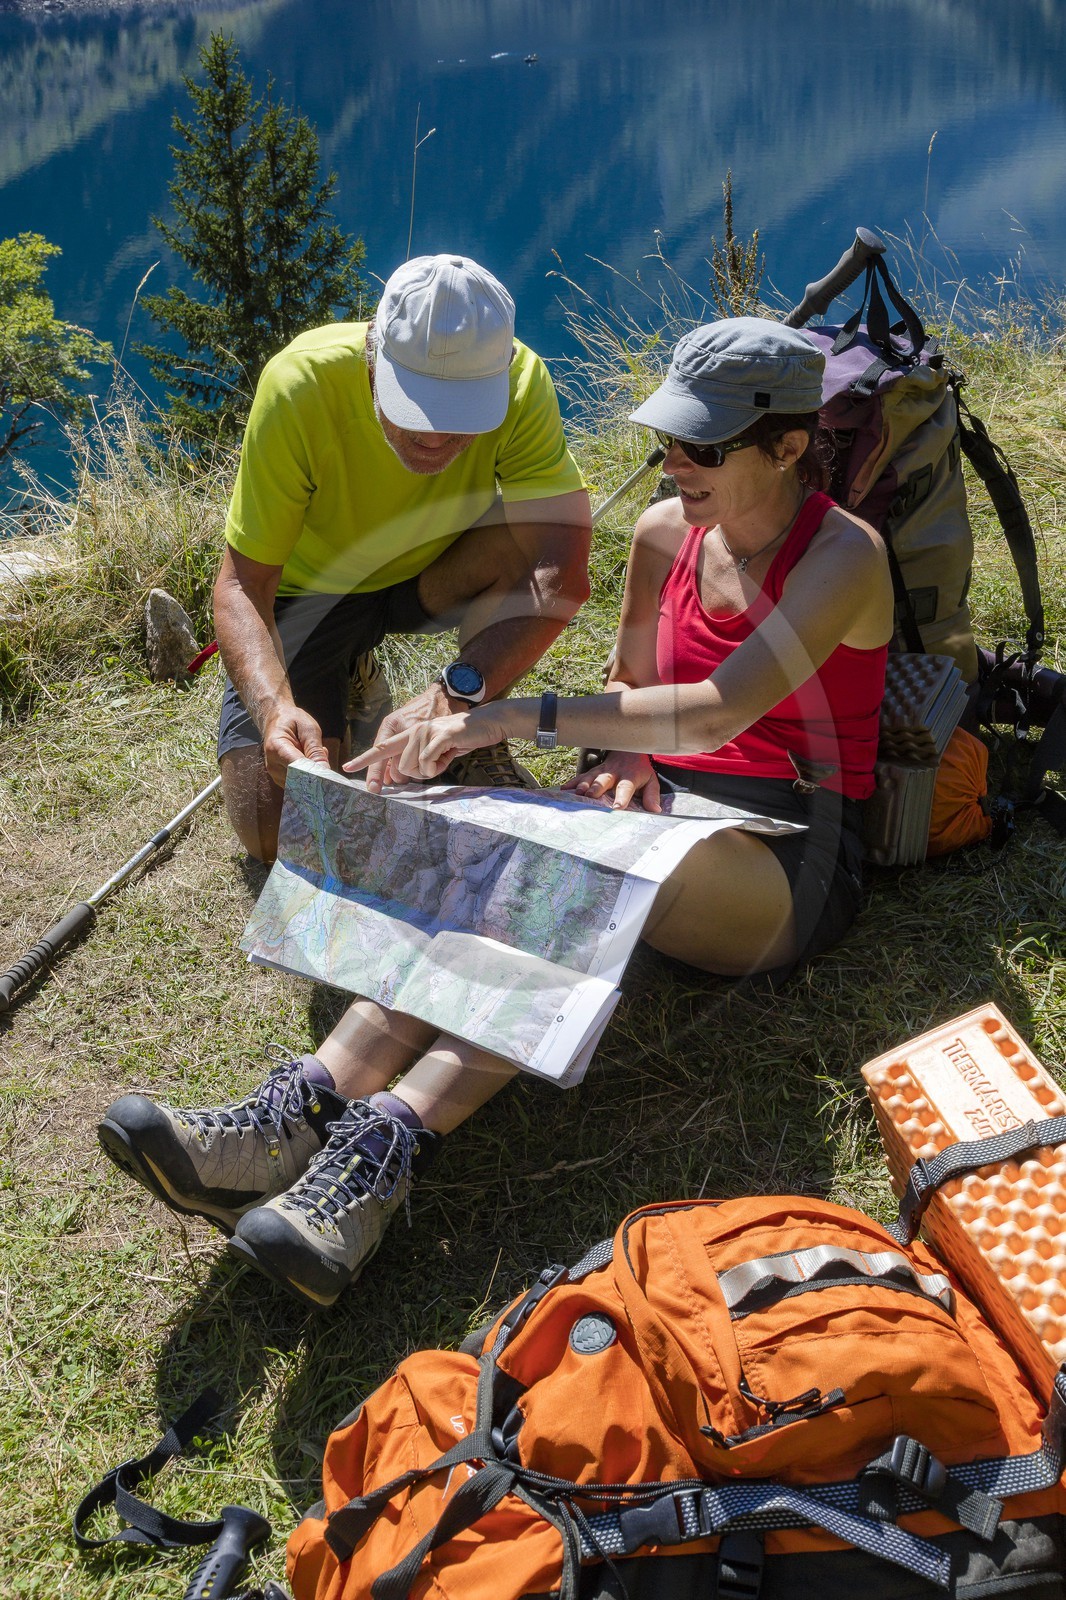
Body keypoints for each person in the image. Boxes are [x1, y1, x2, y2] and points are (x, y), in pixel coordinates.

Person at [97, 317, 891, 1312]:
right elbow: (634, 685)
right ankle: (302, 1108)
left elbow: (718, 709)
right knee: (507, 859)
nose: (673, 464)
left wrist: (509, 716)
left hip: (789, 852)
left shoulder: (844, 556)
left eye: (702, 446)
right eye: (667, 440)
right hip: (662, 809)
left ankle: (379, 1150)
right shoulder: (663, 533)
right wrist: (625, 750)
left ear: (786, 445)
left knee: (572, 874)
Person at [212, 251, 592, 862]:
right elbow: (241, 586)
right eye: (413, 408)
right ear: (374, 357)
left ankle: (470, 734)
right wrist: (274, 708)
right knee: (275, 836)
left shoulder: (522, 382)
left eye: (462, 414)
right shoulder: (301, 384)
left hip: (432, 570)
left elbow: (562, 571)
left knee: (525, 539)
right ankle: (347, 678)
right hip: (309, 600)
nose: (435, 437)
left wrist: (459, 692)